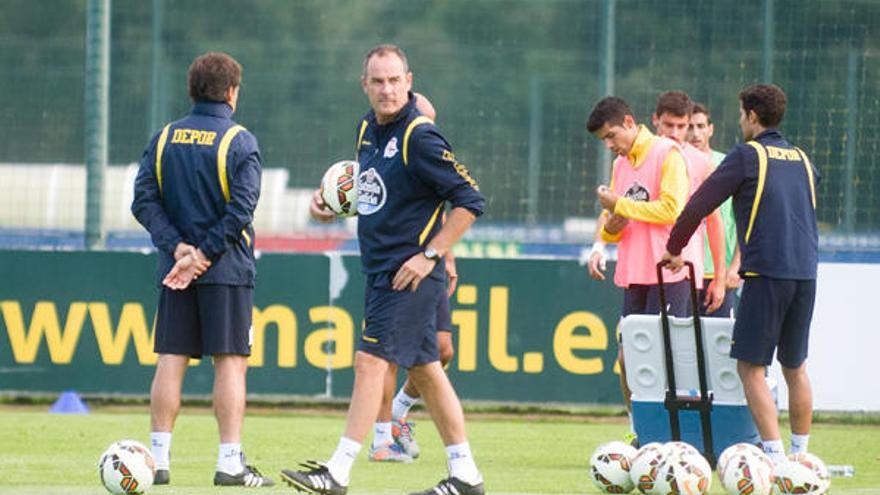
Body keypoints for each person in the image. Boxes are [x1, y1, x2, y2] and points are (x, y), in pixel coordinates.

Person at [281, 44, 486, 495]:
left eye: (395, 80)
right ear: (365, 85)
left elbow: (471, 200)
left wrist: (430, 254)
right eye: (378, 81)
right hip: (380, 270)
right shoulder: (367, 130)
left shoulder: (420, 135)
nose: (387, 89)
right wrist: (329, 206)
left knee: (370, 362)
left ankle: (337, 472)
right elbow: (372, 194)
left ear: (409, 81)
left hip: (407, 274)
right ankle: (466, 475)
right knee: (429, 371)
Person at [131, 52, 273, 487]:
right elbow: (241, 211)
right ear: (232, 92)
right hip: (226, 271)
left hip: (175, 270)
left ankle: (157, 462)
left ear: (191, 90)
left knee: (170, 361)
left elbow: (143, 202)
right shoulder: (241, 142)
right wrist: (203, 256)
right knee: (230, 364)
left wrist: (178, 250)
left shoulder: (163, 138)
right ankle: (230, 462)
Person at [663, 84, 819, 464]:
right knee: (795, 366)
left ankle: (775, 459)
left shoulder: (747, 156)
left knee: (751, 366)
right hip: (806, 273)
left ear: (751, 115)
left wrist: (674, 247)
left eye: (740, 114)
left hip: (766, 273)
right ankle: (802, 457)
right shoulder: (802, 158)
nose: (739, 121)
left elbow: (700, 203)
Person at [586, 95, 694, 444]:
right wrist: (606, 233)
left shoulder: (667, 153)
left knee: (664, 361)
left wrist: (620, 204)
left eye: (612, 135)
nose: (610, 145)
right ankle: (641, 433)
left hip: (668, 275)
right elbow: (615, 226)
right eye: (604, 139)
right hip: (634, 275)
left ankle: (671, 436)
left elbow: (672, 210)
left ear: (630, 123)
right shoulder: (621, 165)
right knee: (626, 358)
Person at [369, 93, 460, 464]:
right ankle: (380, 441)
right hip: (398, 264)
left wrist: (445, 255)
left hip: (430, 263)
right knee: (383, 356)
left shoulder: (425, 147)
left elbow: (441, 208)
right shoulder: (386, 144)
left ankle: (399, 411)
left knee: (441, 350)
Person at [650, 91, 727, 312]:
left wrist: (720, 278)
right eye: (668, 125)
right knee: (630, 341)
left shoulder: (703, 163)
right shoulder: (639, 155)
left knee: (671, 343)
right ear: (655, 120)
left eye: (681, 126)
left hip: (680, 271)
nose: (674, 133)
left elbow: (715, 222)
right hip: (642, 269)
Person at [689, 102, 741, 316]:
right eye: (690, 127)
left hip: (718, 275)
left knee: (716, 345)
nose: (695, 133)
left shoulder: (728, 165)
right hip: (685, 273)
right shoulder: (675, 163)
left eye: (701, 126)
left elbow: (744, 222)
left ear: (711, 129)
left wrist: (735, 266)